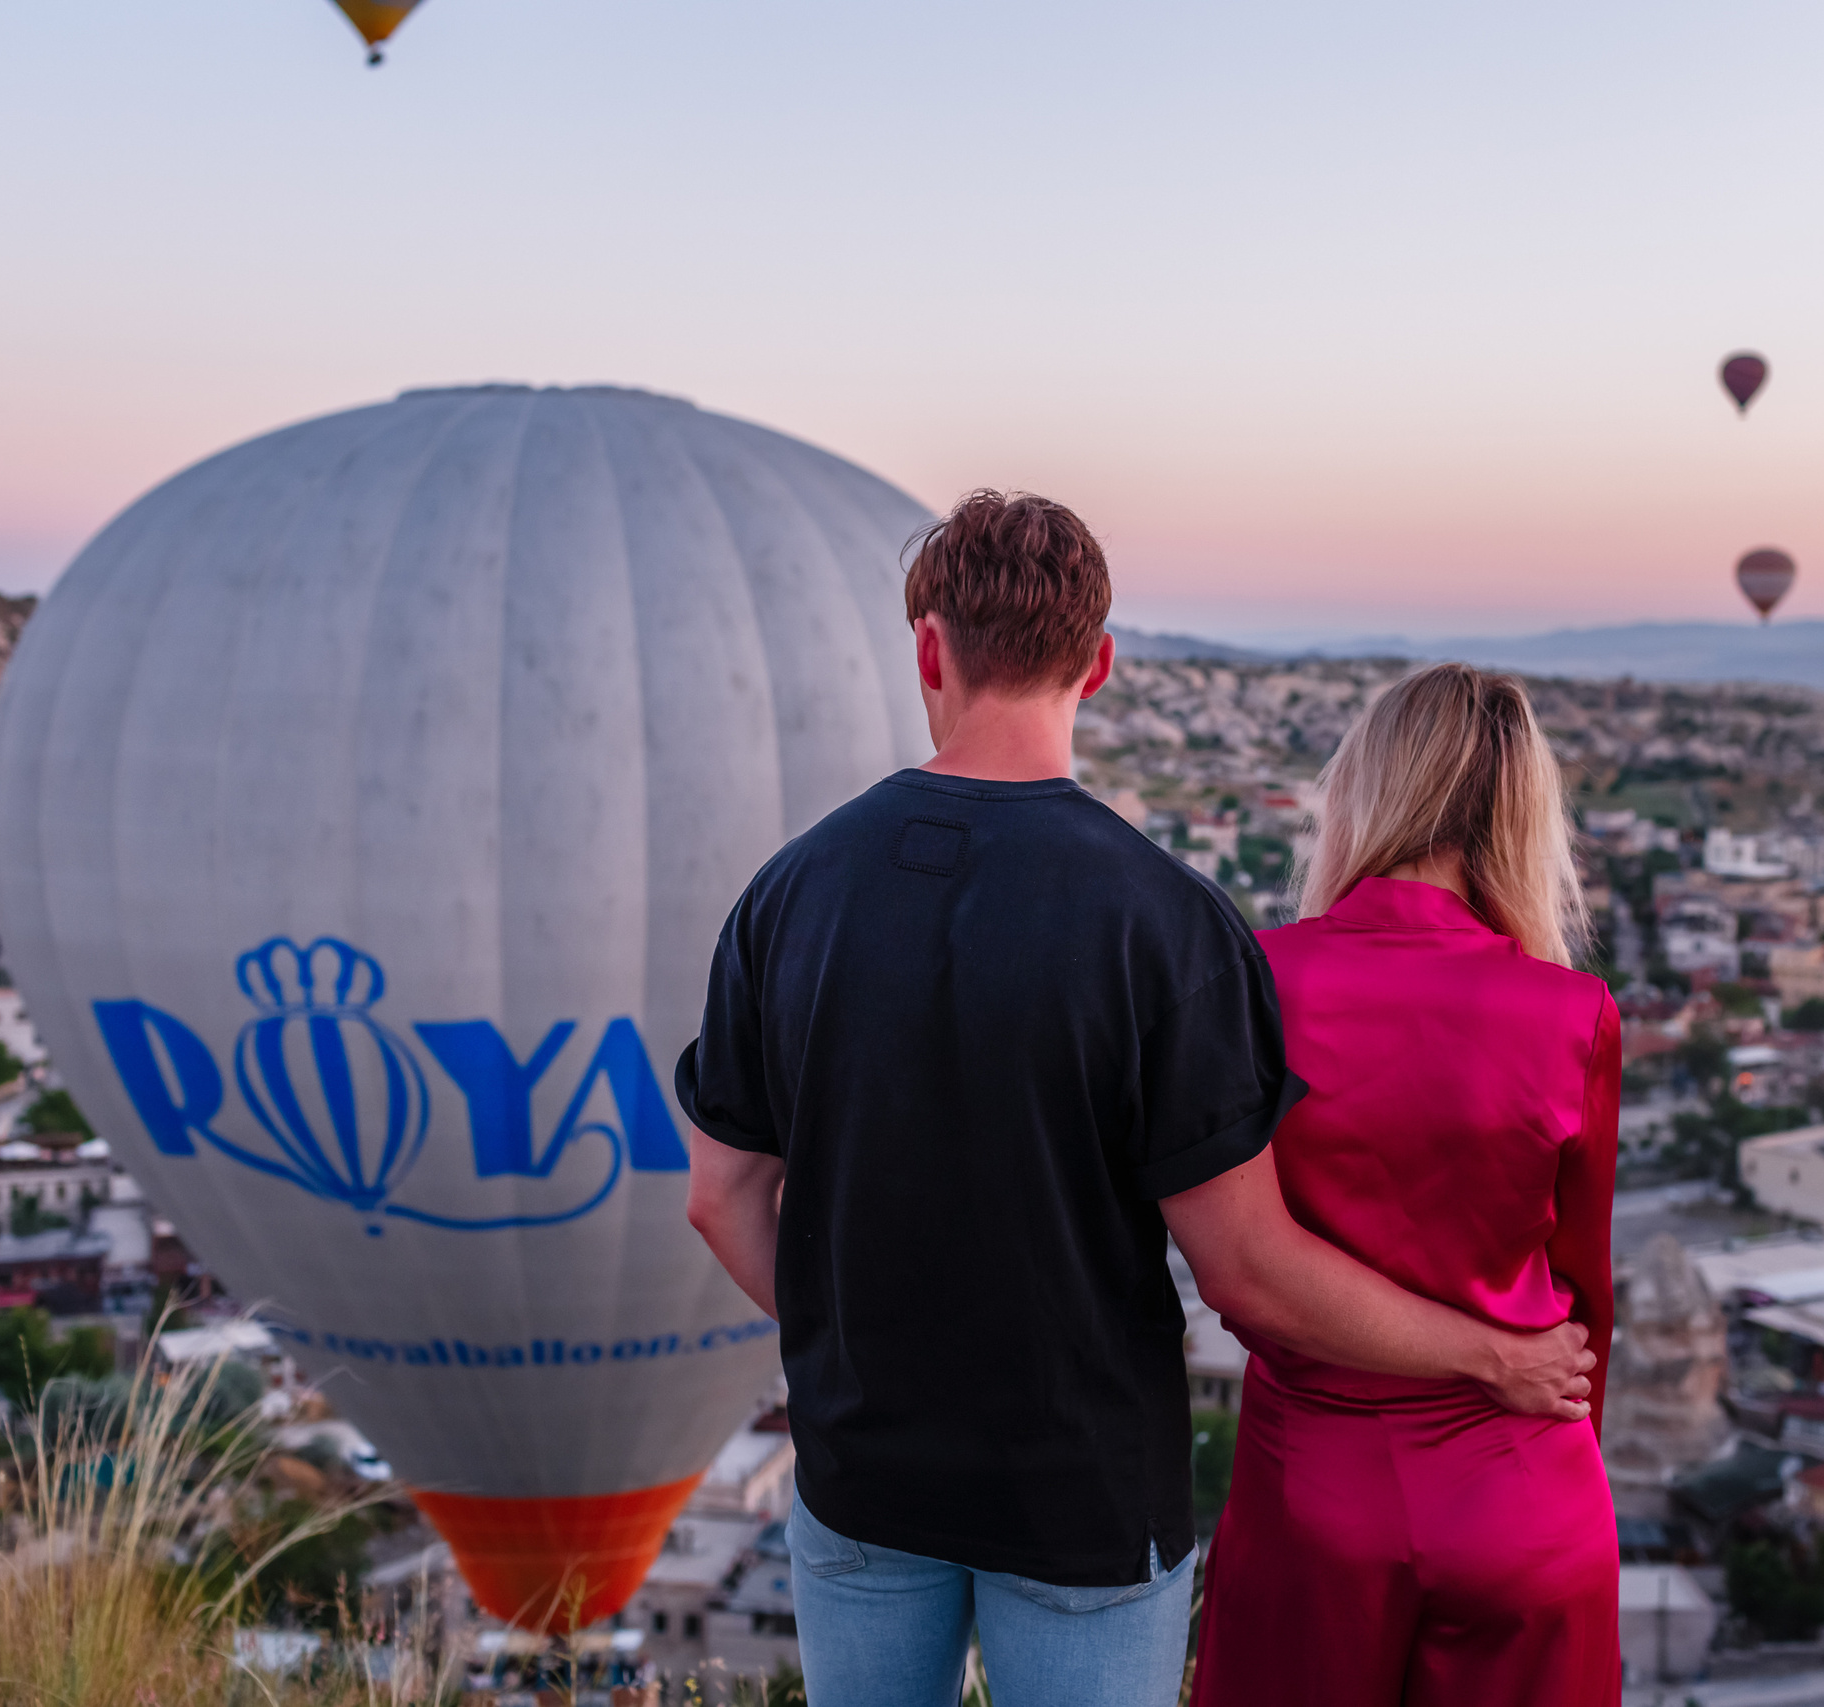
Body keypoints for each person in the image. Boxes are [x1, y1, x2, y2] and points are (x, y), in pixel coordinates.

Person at [675, 493, 1595, 1707]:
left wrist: (857, 1349)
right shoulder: (1168, 924)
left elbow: (721, 1198)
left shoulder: (788, 895)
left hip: (862, 1477)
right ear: (1099, 664)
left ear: (926, 649)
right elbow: (1251, 1273)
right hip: (1085, 1494)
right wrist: (1494, 1356)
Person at [1190, 662, 1622, 1706]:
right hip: (1527, 1496)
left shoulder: (1258, 981)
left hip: (1315, 1496)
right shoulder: (1572, 1013)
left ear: (1363, 790)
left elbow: (1241, 1264)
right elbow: (1584, 1294)